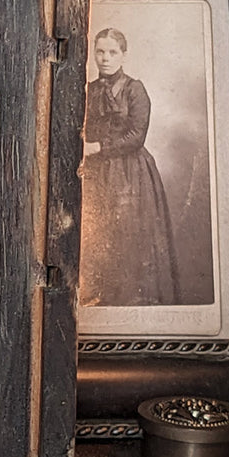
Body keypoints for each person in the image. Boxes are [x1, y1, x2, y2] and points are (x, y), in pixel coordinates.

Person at [79, 27, 181, 306]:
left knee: (130, 231)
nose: (105, 58)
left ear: (124, 55)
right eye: (100, 51)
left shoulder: (135, 89)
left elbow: (137, 135)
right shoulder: (88, 90)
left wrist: (99, 147)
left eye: (112, 52)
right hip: (98, 173)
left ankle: (133, 296)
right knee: (101, 230)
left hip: (131, 173)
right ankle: (103, 294)